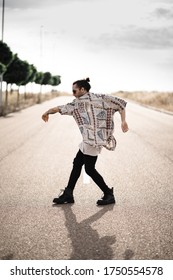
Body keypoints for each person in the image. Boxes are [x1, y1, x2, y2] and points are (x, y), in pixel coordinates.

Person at [42, 78, 128, 205]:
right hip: (87, 139)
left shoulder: (101, 98)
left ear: (83, 89)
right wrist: (47, 111)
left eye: (74, 91)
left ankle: (108, 194)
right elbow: (61, 108)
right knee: (77, 163)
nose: (73, 93)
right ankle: (68, 193)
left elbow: (120, 104)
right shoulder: (77, 103)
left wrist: (123, 121)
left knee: (89, 169)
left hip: (94, 141)